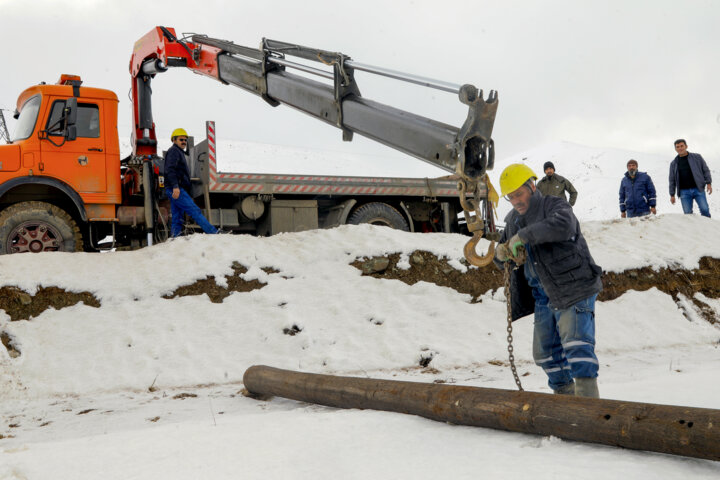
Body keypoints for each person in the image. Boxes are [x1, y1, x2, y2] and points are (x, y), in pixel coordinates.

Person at [494, 164, 603, 398]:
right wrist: (501, 253)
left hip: (574, 287)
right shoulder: (513, 220)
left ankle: (588, 407)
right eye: (511, 197)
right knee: (545, 354)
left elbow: (563, 226)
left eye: (519, 194)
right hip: (543, 296)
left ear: (532, 186)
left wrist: (523, 236)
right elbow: (503, 254)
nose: (516, 201)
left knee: (578, 348)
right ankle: (565, 398)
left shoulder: (555, 205)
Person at [164, 128, 218, 237]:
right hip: (176, 188)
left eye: (185, 140)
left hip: (174, 188)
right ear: (174, 140)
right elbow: (170, 170)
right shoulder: (174, 151)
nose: (184, 142)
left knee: (177, 216)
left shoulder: (178, 152)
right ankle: (213, 233)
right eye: (181, 139)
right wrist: (175, 187)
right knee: (194, 211)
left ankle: (175, 239)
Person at [669, 139, 712, 218]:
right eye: (677, 147)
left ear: (686, 146)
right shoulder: (674, 163)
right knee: (688, 214)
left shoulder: (697, 157)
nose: (680, 148)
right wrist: (672, 194)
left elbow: (705, 170)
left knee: (705, 209)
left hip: (698, 189)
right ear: (675, 149)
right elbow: (672, 180)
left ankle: (708, 229)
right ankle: (693, 230)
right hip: (684, 192)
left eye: (682, 146)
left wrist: (708, 183)